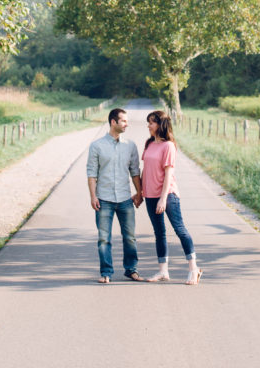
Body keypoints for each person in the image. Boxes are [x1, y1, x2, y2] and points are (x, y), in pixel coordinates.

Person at [142, 110, 202, 285]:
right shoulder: (149, 143)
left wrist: (162, 198)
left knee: (179, 229)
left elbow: (169, 174)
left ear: (160, 124)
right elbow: (146, 170)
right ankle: (163, 271)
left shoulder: (168, 146)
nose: (148, 126)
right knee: (159, 233)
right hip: (150, 195)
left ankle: (193, 269)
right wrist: (140, 193)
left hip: (167, 195)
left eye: (151, 122)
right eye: (148, 122)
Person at [86, 107, 144, 283]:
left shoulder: (130, 146)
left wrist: (139, 193)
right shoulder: (97, 146)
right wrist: (93, 196)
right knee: (104, 239)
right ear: (113, 122)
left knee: (130, 238)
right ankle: (106, 273)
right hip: (104, 199)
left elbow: (135, 172)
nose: (127, 124)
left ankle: (131, 270)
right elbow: (91, 174)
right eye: (124, 121)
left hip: (125, 199)